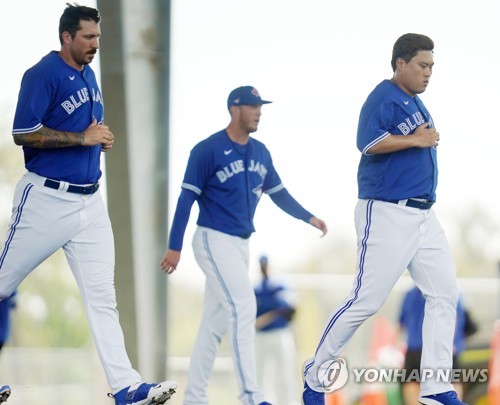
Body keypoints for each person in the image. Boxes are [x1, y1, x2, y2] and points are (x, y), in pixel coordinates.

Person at [0, 4, 176, 405]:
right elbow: (22, 133)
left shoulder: (89, 74)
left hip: (90, 204)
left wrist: (99, 136)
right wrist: (84, 139)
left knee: (103, 298)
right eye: (88, 37)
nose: (96, 44)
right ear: (66, 37)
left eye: (98, 37)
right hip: (45, 198)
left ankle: (126, 387)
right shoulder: (42, 74)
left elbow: (88, 128)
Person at [302, 33, 466, 405]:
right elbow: (366, 142)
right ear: (400, 64)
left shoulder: (415, 103)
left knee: (444, 293)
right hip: (387, 211)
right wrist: (414, 141)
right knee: (366, 299)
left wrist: (418, 141)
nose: (428, 73)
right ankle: (315, 375)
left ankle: (436, 387)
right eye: (422, 65)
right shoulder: (384, 97)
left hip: (424, 214)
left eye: (432, 67)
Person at [161, 85, 328, 405]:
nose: (259, 112)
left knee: (214, 322)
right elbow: (186, 199)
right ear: (234, 109)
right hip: (212, 238)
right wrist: (174, 246)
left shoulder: (261, 152)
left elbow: (279, 193)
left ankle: (194, 397)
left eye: (260, 106)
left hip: (240, 245)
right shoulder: (207, 149)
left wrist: (308, 217)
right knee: (243, 306)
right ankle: (251, 394)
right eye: (253, 106)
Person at [399, 285, 469, 404]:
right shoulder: (450, 290)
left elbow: (401, 324)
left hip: (417, 349)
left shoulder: (411, 294)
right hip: (440, 349)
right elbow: (454, 317)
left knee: (414, 389)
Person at [254, 255, 300, 405]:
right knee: (260, 377)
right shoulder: (256, 288)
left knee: (285, 375)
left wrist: (268, 316)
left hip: (280, 334)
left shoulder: (281, 284)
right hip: (260, 337)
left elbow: (289, 310)